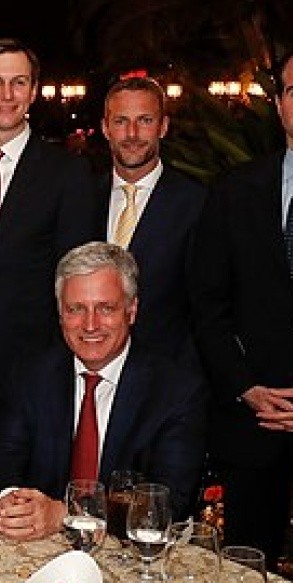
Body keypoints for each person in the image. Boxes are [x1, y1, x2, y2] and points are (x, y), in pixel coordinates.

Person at [189, 42, 293, 583]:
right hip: (252, 428)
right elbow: (206, 305)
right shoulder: (233, 190)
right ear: (279, 105)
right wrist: (246, 388)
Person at [0, 38, 99, 490]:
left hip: (29, 373)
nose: (6, 95)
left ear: (32, 92)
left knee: (18, 502)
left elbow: (75, 276)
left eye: (18, 83)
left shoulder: (67, 173)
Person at [0, 242, 206, 540]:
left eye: (105, 308)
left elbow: (167, 502)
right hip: (39, 546)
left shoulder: (176, 391)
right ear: (60, 313)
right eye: (76, 309)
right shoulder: (32, 373)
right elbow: (0, 458)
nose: (90, 325)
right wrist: (14, 501)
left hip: (128, 553)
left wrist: (66, 515)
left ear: (131, 310)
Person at [97, 76, 205, 369]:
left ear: (163, 126)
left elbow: (207, 307)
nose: (132, 134)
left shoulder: (197, 204)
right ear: (106, 128)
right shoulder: (81, 198)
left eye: (144, 121)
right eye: (121, 121)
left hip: (169, 372)